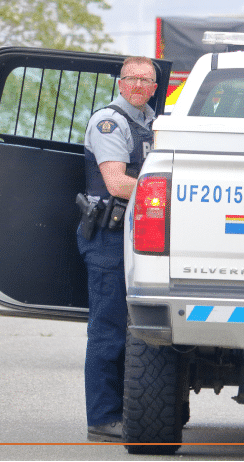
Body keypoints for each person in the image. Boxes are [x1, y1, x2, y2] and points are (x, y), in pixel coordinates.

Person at [76, 56, 157, 442]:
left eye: (147, 80)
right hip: (109, 236)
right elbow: (116, 183)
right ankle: (103, 418)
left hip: (141, 235)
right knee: (108, 330)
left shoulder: (153, 122)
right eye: (133, 79)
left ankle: (130, 412)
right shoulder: (110, 121)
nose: (140, 85)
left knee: (138, 330)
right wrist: (171, 190)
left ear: (155, 88)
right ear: (121, 83)